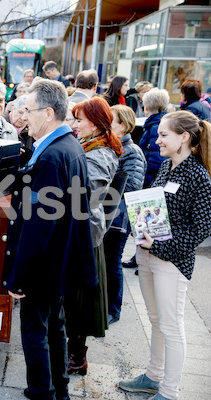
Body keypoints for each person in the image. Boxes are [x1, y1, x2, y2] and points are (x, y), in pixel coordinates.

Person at [4, 79, 97, 400]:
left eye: (27, 110)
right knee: (55, 328)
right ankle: (59, 390)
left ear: (47, 113)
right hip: (59, 262)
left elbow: (37, 227)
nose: (23, 116)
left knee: (33, 330)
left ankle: (42, 392)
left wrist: (18, 278)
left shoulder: (52, 156)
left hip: (44, 266)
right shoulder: (67, 146)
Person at [118, 111, 211, 400]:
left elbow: (201, 229)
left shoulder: (198, 175)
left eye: (163, 135)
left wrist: (155, 246)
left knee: (171, 326)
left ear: (184, 137)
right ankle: (153, 377)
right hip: (149, 255)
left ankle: (169, 392)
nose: (156, 140)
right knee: (156, 320)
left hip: (171, 262)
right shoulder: (167, 167)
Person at [65, 97, 122, 376]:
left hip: (86, 233)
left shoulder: (99, 153)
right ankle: (73, 354)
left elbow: (88, 195)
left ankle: (77, 357)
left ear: (96, 124)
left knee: (81, 299)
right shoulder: (90, 146)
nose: (74, 125)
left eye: (79, 120)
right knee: (76, 296)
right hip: (81, 229)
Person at [103, 105, 146, 324]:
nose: (106, 123)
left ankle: (114, 309)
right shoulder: (112, 146)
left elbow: (132, 188)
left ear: (123, 125)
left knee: (112, 263)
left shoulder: (132, 151)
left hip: (118, 220)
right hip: (106, 217)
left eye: (111, 120)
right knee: (106, 263)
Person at [141, 88, 170, 187]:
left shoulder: (156, 127)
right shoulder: (162, 123)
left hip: (151, 178)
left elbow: (156, 158)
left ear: (146, 108)